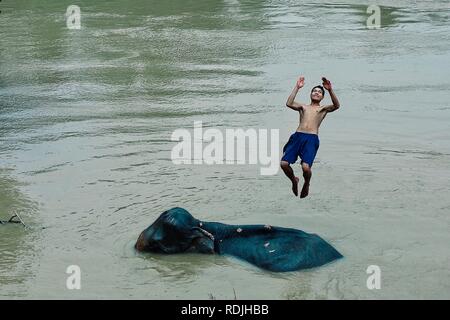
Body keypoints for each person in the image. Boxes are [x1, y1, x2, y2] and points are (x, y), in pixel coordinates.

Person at [280, 76, 340, 198]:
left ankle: (307, 183)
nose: (316, 93)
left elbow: (336, 105)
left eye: (319, 92)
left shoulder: (323, 109)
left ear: (322, 97)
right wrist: (297, 87)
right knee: (284, 164)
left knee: (306, 168)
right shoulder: (303, 107)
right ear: (310, 94)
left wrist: (330, 90)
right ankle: (294, 180)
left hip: (311, 139)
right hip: (297, 137)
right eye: (314, 91)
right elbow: (289, 103)